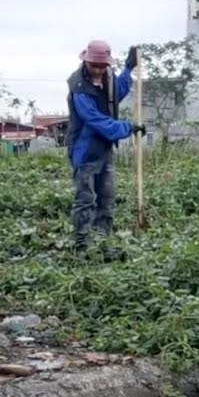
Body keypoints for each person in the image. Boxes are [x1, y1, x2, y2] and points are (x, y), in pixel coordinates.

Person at [66, 39, 146, 253]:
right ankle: (82, 246)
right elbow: (99, 122)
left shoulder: (107, 79)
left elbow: (117, 92)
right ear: (86, 62)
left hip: (104, 150)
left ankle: (102, 243)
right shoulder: (79, 89)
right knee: (86, 199)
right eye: (95, 65)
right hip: (85, 152)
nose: (99, 70)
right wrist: (128, 128)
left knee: (107, 199)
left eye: (103, 66)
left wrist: (129, 68)